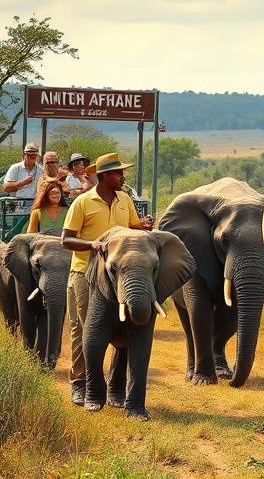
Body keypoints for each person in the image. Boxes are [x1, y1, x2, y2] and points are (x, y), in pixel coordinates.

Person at [61, 152, 153, 408]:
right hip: (84, 273)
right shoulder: (83, 202)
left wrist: (142, 227)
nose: (123, 177)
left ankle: (115, 387)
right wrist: (91, 244)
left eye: (122, 172)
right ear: (103, 176)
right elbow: (65, 239)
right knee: (85, 331)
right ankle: (81, 385)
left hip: (116, 276)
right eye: (118, 173)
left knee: (123, 327)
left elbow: (130, 227)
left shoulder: (124, 199)